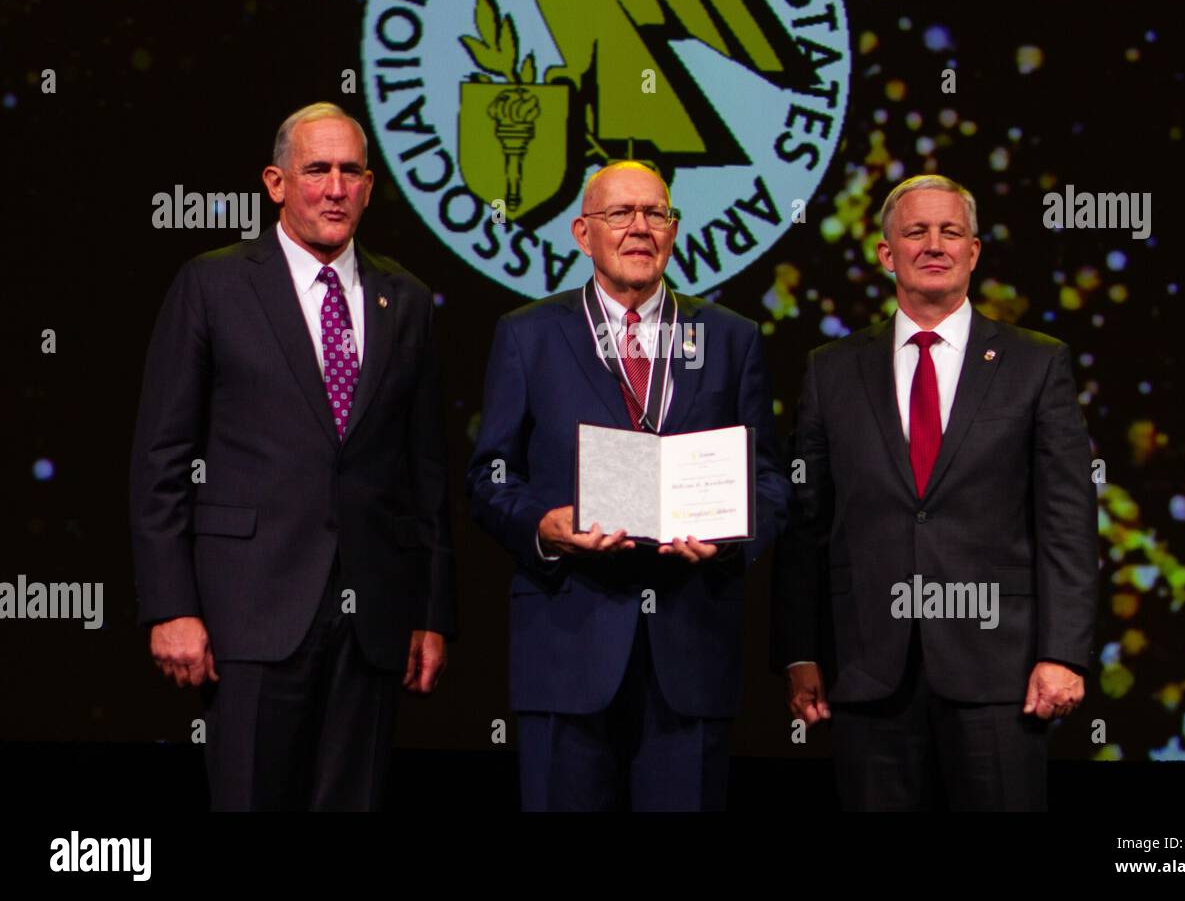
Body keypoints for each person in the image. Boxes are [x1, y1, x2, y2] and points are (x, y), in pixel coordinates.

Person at [129, 102, 455, 810]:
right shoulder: (212, 284)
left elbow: (425, 473)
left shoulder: (405, 298)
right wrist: (170, 605)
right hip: (248, 612)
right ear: (276, 183)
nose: (335, 188)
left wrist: (431, 613)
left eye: (351, 172)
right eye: (317, 170)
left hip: (372, 621)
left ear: (370, 186)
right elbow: (161, 459)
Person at [467, 160, 789, 811]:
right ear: (583, 233)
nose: (640, 227)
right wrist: (543, 528)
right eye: (621, 214)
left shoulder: (731, 340)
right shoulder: (527, 335)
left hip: (691, 645)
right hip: (566, 642)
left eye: (656, 213)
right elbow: (489, 475)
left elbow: (771, 481)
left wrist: (730, 539)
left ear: (674, 230)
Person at [772, 174, 1097, 811]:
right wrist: (800, 651)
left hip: (1000, 674)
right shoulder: (831, 369)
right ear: (886, 253)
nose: (934, 244)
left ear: (974, 252)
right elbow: (807, 520)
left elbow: (1067, 521)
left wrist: (1064, 653)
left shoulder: (1038, 364)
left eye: (951, 231)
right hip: (868, 673)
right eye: (915, 231)